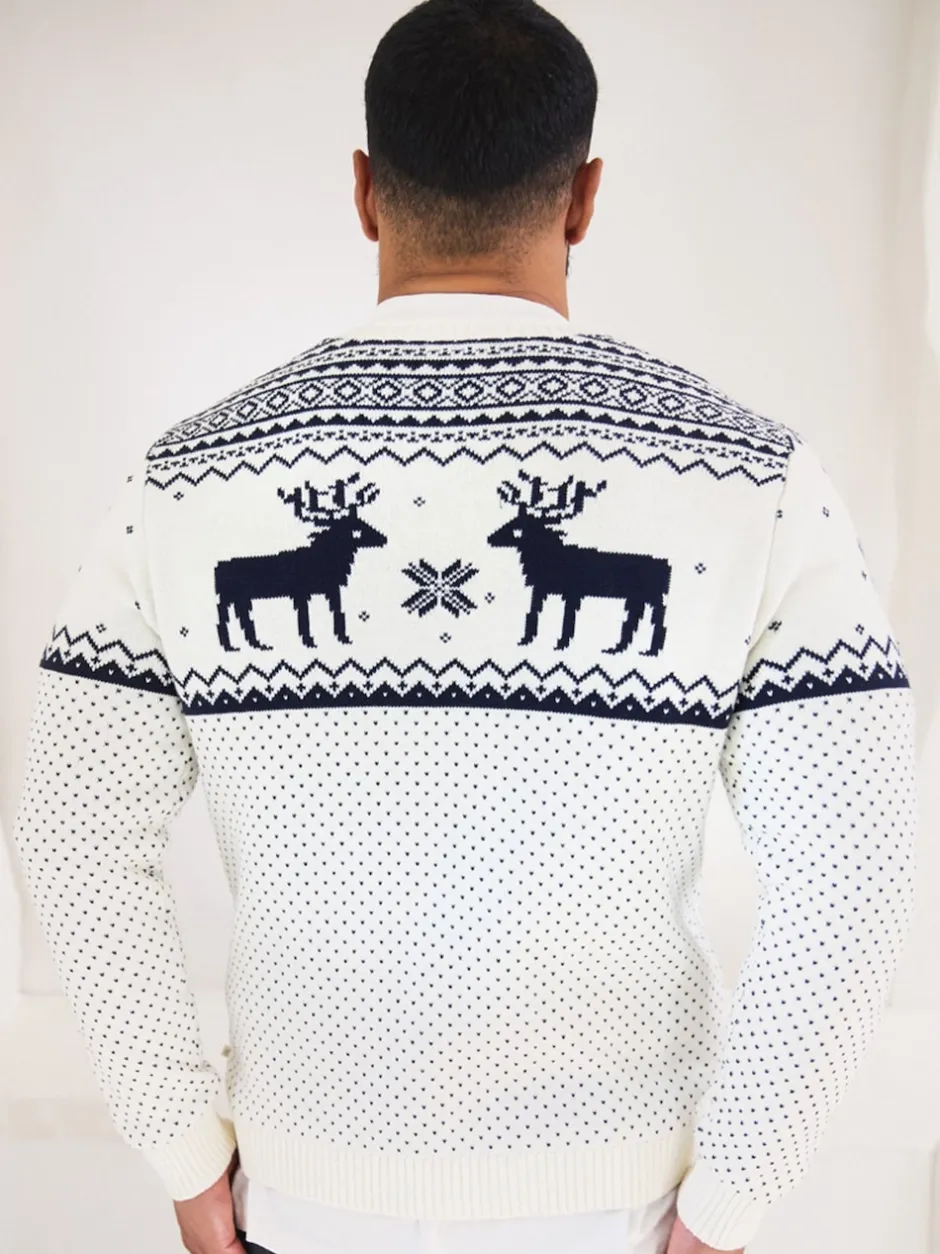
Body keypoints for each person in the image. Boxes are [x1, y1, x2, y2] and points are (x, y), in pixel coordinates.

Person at [10, 1, 918, 1252]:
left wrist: (182, 1152)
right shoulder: (752, 478)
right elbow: (852, 871)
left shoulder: (183, 481)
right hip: (626, 1210)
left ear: (364, 190)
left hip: (302, 1200)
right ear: (584, 196)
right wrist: (730, 1201)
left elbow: (72, 833)